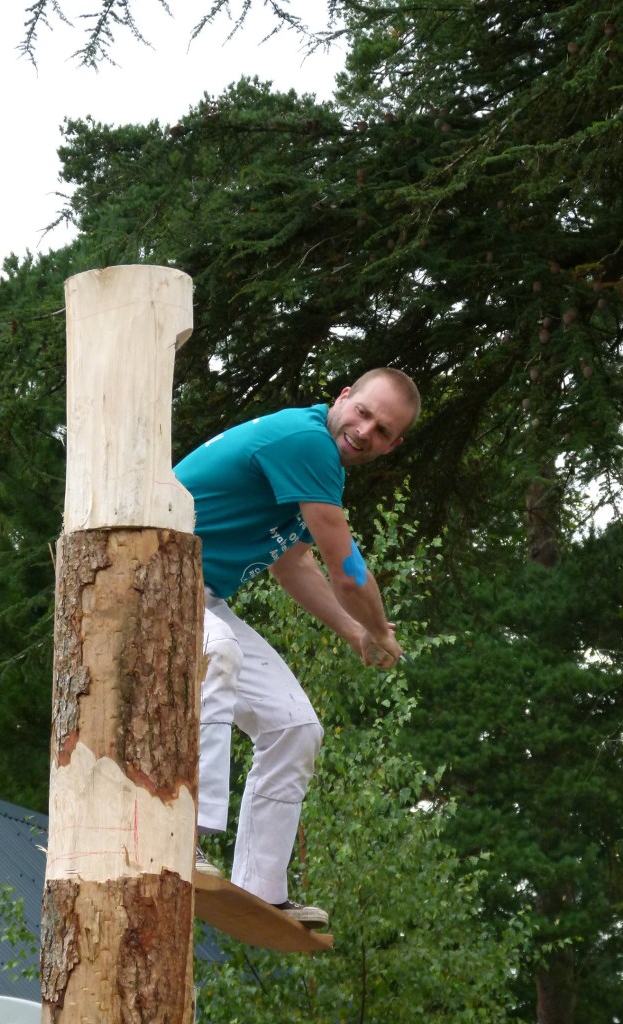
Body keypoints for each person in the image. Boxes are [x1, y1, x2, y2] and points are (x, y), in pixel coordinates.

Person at [174, 368, 421, 927]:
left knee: (296, 727)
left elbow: (294, 564)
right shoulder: (307, 442)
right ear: (343, 397)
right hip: (149, 572)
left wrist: (354, 632)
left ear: (393, 445)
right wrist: (379, 629)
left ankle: (261, 890)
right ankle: (182, 839)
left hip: (199, 595)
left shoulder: (315, 460)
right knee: (218, 653)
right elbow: (347, 570)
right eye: (363, 413)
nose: (365, 431)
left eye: (382, 431)